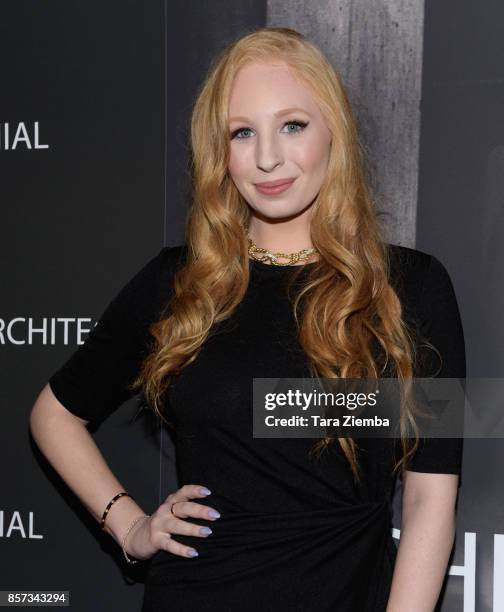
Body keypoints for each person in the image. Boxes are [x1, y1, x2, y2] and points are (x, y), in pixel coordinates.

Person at [29, 27, 465, 611]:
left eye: (292, 125)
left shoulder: (414, 286)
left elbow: (431, 498)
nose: (266, 158)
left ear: (333, 128)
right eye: (242, 133)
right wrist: (130, 528)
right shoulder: (179, 281)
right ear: (220, 151)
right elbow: (53, 414)